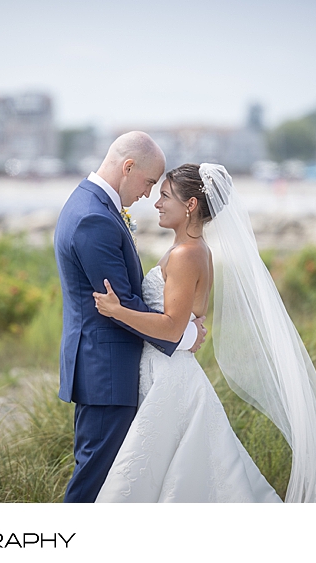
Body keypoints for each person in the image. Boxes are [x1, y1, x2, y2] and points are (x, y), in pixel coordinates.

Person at [92, 163, 316, 502]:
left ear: (190, 205)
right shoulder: (195, 250)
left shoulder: (185, 255)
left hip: (169, 378)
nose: (157, 203)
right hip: (167, 372)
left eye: (164, 196)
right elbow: (187, 323)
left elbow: (172, 328)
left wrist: (118, 311)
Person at [54, 132, 206, 503]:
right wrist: (184, 334)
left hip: (105, 369)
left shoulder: (90, 204)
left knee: (111, 484)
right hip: (106, 373)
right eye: (150, 182)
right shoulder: (94, 218)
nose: (149, 195)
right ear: (127, 168)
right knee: (93, 483)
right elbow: (119, 305)